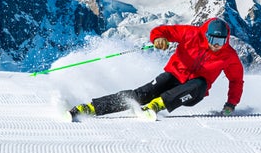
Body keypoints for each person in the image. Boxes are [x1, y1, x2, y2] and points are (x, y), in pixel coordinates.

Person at [69, 18, 244, 119]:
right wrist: (158, 38)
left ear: (226, 39)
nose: (216, 45)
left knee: (200, 83)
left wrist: (231, 104)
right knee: (141, 94)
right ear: (205, 35)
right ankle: (91, 108)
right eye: (212, 40)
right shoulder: (191, 34)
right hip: (173, 76)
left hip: (191, 92)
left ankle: (156, 105)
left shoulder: (229, 56)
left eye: (220, 42)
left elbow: (236, 80)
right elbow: (162, 31)